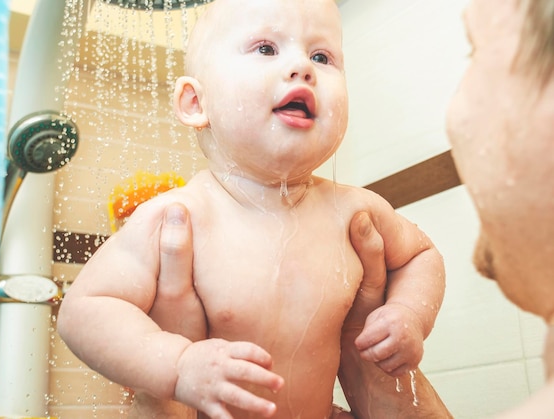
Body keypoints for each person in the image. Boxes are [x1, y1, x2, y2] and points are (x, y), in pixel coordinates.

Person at [57, 0, 447, 417]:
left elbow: (421, 256)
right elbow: (83, 310)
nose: (303, 68)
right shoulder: (179, 216)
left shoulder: (354, 211)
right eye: (266, 48)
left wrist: (408, 313)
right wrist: (177, 365)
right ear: (194, 103)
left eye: (322, 56)